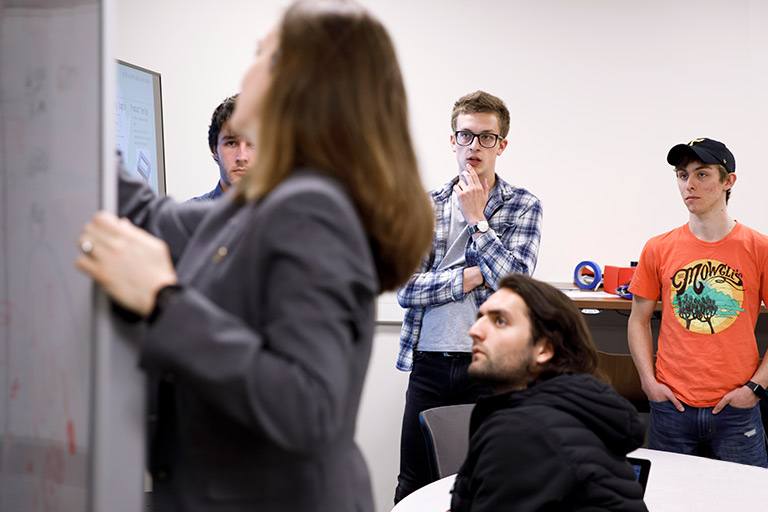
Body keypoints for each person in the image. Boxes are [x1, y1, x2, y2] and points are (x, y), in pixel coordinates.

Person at [75, 1, 433, 510]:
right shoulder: (256, 208)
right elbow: (148, 217)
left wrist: (163, 301)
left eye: (260, 55)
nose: (246, 70)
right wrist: (66, 101)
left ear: (302, 86)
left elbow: (309, 406)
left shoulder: (315, 208)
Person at [394, 90, 543, 501]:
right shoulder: (425, 206)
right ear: (453, 140)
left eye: (486, 137)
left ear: (502, 145)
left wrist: (478, 219)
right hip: (429, 365)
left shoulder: (523, 206)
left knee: (489, 487)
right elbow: (407, 289)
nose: (474, 146)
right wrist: (474, 276)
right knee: (414, 484)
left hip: (492, 367)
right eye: (466, 135)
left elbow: (515, 283)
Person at [451, 274, 647, 512]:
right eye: (479, 317)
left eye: (500, 321)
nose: (474, 330)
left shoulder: (522, 432)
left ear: (543, 350)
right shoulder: (565, 411)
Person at [628, 138, 768, 467]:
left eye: (702, 174)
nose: (689, 184)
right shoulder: (657, 248)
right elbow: (637, 319)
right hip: (671, 407)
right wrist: (649, 383)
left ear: (728, 181)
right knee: (666, 501)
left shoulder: (758, 248)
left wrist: (755, 388)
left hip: (738, 409)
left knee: (746, 501)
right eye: (682, 175)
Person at [187, 93, 256, 202]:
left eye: (252, 144)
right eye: (231, 143)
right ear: (215, 150)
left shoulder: (287, 214)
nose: (242, 157)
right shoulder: (189, 217)